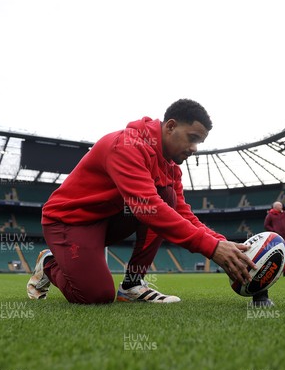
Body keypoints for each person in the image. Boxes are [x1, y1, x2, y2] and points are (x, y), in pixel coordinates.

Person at [27, 99, 263, 305]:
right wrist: (212, 249)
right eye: (192, 139)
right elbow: (150, 209)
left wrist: (223, 244)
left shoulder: (171, 166)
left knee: (167, 198)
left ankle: (132, 285)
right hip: (70, 222)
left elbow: (181, 213)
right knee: (95, 296)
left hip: (108, 219)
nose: (194, 149)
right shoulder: (126, 146)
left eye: (199, 142)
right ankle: (49, 263)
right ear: (170, 126)